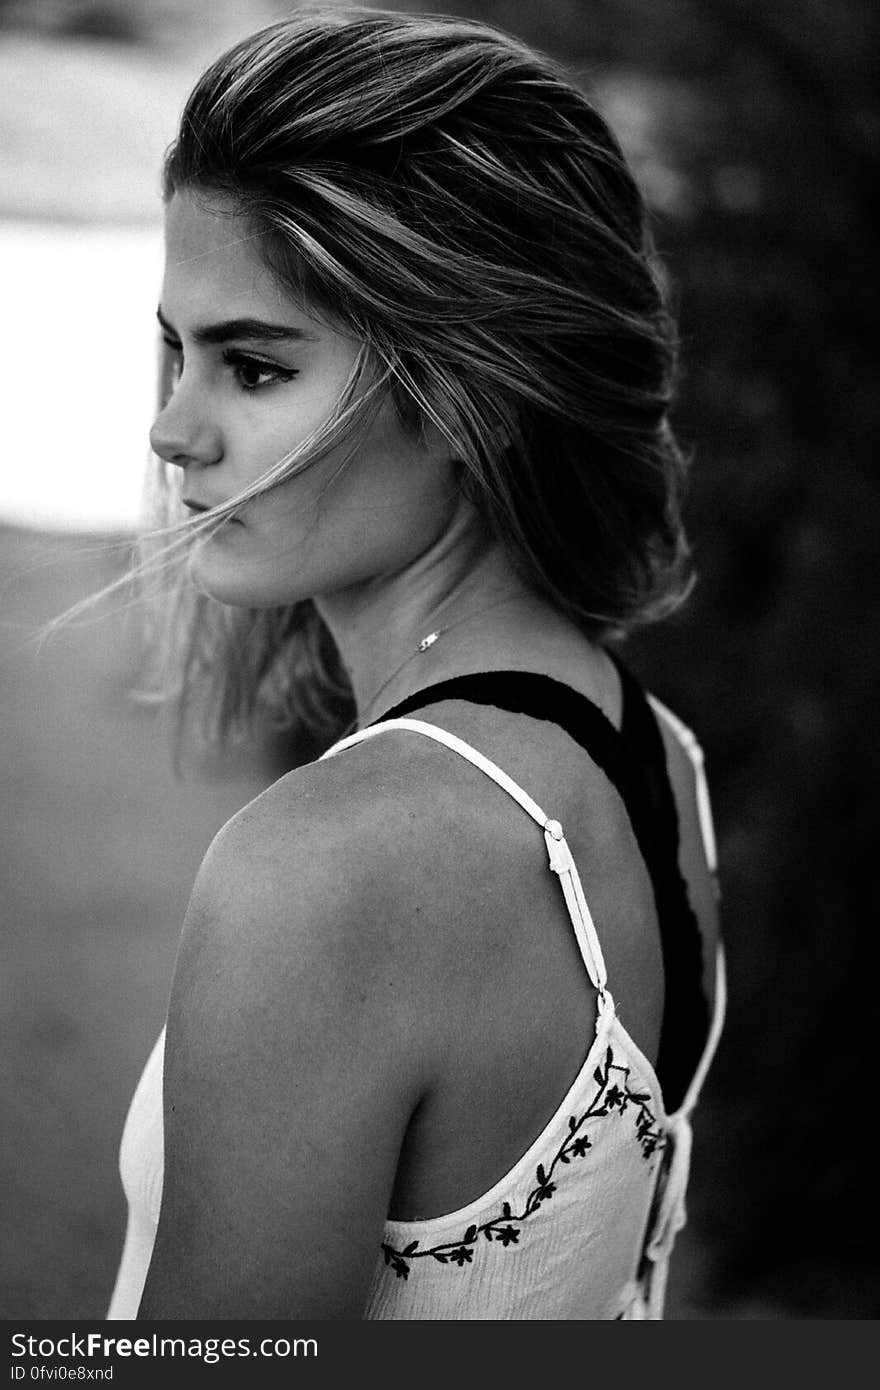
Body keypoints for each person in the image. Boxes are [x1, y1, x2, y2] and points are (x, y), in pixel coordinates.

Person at [106, 8, 724, 1321]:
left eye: (254, 366)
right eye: (176, 347)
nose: (173, 429)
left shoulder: (329, 867)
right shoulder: (659, 756)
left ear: (471, 400)